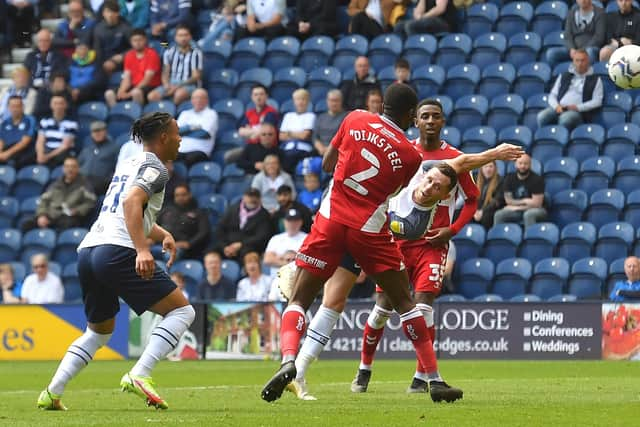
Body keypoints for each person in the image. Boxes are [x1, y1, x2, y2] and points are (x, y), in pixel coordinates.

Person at [260, 84, 520, 403]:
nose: (428, 121)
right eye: (423, 115)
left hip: (332, 219)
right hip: (371, 228)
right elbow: (394, 193)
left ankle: (293, 362)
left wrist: (449, 228)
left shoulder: (355, 118)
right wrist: (495, 153)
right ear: (414, 117)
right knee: (387, 302)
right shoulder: (410, 155)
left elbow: (327, 164)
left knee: (308, 298)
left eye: (435, 117)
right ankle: (425, 379)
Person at [37, 112, 195, 411]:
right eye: (176, 133)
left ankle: (52, 392)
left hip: (90, 250)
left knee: (99, 331)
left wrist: (160, 232)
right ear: (163, 137)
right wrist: (142, 249)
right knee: (182, 312)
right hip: (117, 250)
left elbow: (126, 209)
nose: (180, 139)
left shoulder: (128, 163)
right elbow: (131, 203)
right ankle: (140, 374)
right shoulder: (157, 168)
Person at [23, 157, 97, 232]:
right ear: (63, 169)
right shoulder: (55, 184)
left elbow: (90, 202)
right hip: (51, 214)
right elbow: (44, 200)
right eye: (67, 166)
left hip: (69, 216)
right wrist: (42, 215)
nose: (70, 170)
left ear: (78, 168)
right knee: (27, 224)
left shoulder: (84, 185)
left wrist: (77, 210)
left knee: (66, 224)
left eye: (73, 166)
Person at [537, 48, 603, 131]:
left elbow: (597, 101)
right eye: (577, 60)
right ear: (573, 61)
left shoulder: (595, 79)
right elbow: (552, 95)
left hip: (578, 112)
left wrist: (577, 107)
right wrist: (556, 106)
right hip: (560, 107)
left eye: (582, 60)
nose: (579, 64)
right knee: (542, 116)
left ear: (588, 61)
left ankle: (562, 141)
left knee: (565, 119)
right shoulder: (564, 76)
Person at [147, 24, 203, 106]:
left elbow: (196, 77)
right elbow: (165, 73)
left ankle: (170, 115)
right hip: (171, 83)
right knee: (151, 96)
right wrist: (166, 85)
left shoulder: (196, 53)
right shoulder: (169, 52)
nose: (183, 38)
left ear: (190, 37)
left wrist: (177, 86)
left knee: (178, 95)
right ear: (175, 38)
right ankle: (162, 115)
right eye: (180, 35)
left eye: (186, 35)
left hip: (189, 85)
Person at [104, 28, 162, 107]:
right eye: (134, 40)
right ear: (131, 42)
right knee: (109, 93)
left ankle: (138, 116)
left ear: (145, 40)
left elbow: (147, 79)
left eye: (140, 40)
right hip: (134, 85)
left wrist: (130, 93)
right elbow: (127, 77)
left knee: (136, 92)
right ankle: (116, 112)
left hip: (150, 86)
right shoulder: (129, 55)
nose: (137, 43)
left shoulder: (152, 54)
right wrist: (121, 91)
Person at [215, 188, 273, 261]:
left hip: (249, 246)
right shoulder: (233, 209)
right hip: (228, 244)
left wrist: (241, 244)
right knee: (211, 253)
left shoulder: (264, 215)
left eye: (255, 197)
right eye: (250, 196)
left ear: (260, 199)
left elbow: (261, 236)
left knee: (249, 255)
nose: (252, 199)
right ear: (244, 197)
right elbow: (220, 228)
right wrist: (224, 246)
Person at [156, 183, 210, 260]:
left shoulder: (199, 213)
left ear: (190, 195)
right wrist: (150, 239)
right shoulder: (167, 210)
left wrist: (189, 243)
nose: (180, 198)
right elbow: (155, 225)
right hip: (161, 243)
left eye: (183, 195)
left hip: (182, 246)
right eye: (177, 195)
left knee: (169, 255)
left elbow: (204, 232)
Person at [493, 154, 547, 227]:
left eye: (525, 164)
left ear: (530, 165)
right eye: (520, 163)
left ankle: (529, 237)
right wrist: (526, 201)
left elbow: (537, 204)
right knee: (499, 214)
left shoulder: (537, 180)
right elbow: (509, 201)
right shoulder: (509, 178)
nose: (522, 166)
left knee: (528, 215)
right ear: (516, 164)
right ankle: (499, 237)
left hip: (537, 210)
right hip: (518, 210)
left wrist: (517, 207)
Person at [176, 88, 218, 166]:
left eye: (201, 98)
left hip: (200, 150)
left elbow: (204, 134)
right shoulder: (185, 113)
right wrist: (190, 127)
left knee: (190, 159)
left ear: (207, 100)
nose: (198, 100)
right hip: (181, 149)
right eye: (195, 98)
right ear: (191, 100)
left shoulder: (211, 114)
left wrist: (184, 132)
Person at [78, 120, 121, 195]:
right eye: (94, 131)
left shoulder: (114, 148)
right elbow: (77, 164)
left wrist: (107, 180)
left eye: (100, 131)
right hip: (83, 180)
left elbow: (119, 168)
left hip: (101, 182)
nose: (97, 133)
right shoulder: (87, 149)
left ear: (105, 132)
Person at [91, 0, 133, 77]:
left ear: (118, 13)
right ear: (103, 14)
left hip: (121, 62)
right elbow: (98, 50)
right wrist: (102, 64)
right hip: (104, 63)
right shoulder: (98, 29)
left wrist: (122, 56)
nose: (110, 15)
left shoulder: (126, 28)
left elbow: (134, 47)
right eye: (107, 12)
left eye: (113, 12)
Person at [279, 89, 316, 174]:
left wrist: (289, 133)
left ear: (307, 101)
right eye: (298, 99)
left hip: (303, 149)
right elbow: (281, 136)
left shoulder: (311, 116)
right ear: (294, 101)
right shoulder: (288, 116)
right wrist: (297, 134)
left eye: (303, 99)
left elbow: (304, 136)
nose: (300, 102)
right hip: (287, 148)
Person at [35, 95, 78, 168]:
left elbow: (65, 145)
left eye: (61, 103)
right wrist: (40, 155)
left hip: (61, 152)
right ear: (51, 105)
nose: (58, 106)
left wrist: (47, 157)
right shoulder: (45, 121)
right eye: (55, 103)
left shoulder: (71, 123)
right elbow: (40, 141)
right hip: (47, 150)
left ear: (65, 105)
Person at [263, 208, 308, 276]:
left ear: (300, 222)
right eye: (289, 221)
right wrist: (293, 261)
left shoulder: (307, 238)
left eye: (295, 221)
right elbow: (267, 260)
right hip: (277, 280)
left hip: (299, 279)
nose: (292, 224)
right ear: (284, 222)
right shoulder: (276, 239)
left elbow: (311, 260)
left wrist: (281, 257)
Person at [0, 95, 37, 168]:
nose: (15, 109)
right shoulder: (5, 122)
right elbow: (1, 140)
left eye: (18, 106)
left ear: (22, 107)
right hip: (6, 151)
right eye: (12, 106)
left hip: (23, 152)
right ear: (8, 108)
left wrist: (7, 154)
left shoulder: (30, 120)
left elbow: (24, 142)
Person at [313, 89, 347, 157]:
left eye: (336, 100)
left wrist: (330, 150)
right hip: (321, 152)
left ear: (341, 101)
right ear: (327, 101)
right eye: (331, 100)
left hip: (338, 153)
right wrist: (320, 148)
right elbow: (315, 137)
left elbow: (345, 139)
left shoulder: (346, 117)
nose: (334, 103)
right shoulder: (320, 117)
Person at [474, 161, 503, 230]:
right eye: (485, 167)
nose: (488, 169)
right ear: (481, 169)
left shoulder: (500, 180)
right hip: (476, 210)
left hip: (491, 210)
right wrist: (474, 212)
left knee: (486, 216)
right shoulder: (476, 179)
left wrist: (482, 211)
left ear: (495, 168)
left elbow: (497, 201)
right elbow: (471, 198)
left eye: (491, 166)